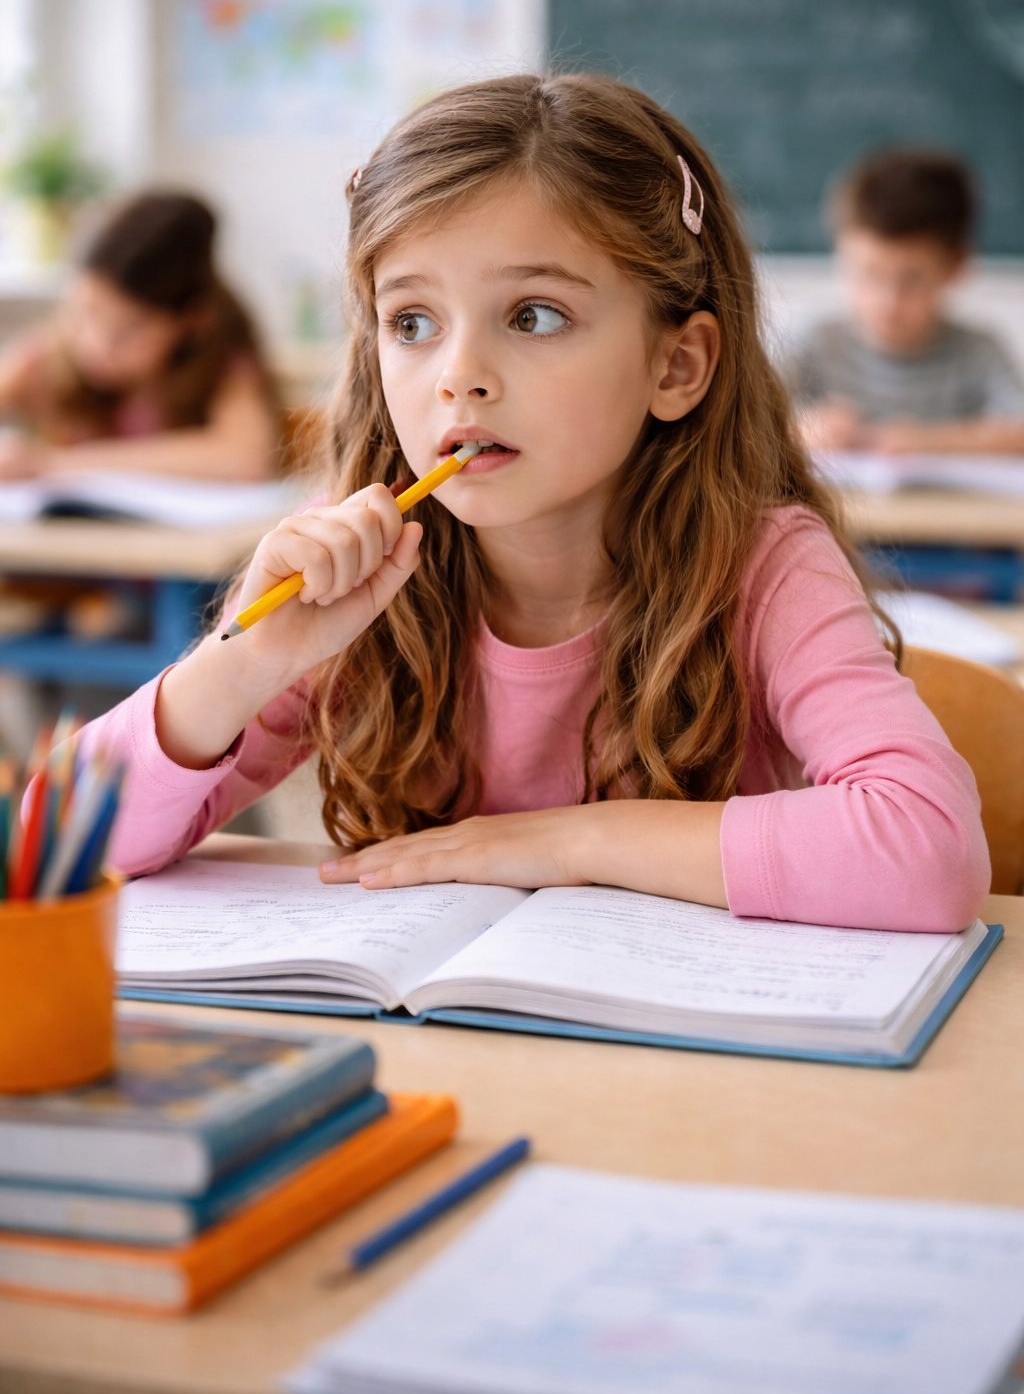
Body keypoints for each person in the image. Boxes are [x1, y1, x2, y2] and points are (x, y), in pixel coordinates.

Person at [79, 75, 987, 931]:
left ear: (676, 366)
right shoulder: (352, 577)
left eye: (535, 316)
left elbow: (929, 852)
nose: (459, 377)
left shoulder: (767, 569)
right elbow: (61, 847)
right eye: (412, 323)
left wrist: (563, 843)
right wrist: (244, 663)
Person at [0, 191, 279, 481]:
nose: (97, 344)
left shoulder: (221, 366)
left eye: (128, 330)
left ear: (190, 321)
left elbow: (245, 460)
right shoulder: (46, 356)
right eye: (83, 312)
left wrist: (53, 464)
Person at [791, 149, 1024, 454]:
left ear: (955, 266)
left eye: (911, 279)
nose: (888, 302)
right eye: (869, 273)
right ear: (841, 251)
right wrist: (806, 428)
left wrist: (927, 441)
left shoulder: (978, 353)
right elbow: (746, 425)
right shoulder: (813, 344)